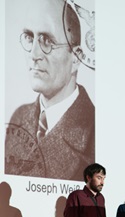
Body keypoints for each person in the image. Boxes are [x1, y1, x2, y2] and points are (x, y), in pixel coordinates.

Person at [5, 0, 95, 180]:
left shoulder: (94, 129)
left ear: (76, 58)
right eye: (30, 37)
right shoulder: (19, 117)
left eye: (47, 41)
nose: (34, 54)